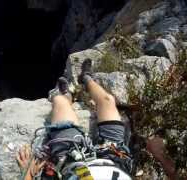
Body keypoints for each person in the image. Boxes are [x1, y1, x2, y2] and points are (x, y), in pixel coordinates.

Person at [16, 59, 177, 180]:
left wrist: (29, 173)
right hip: (115, 159)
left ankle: (65, 95)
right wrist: (161, 156)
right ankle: (86, 79)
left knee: (60, 102)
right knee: (107, 101)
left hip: (72, 162)